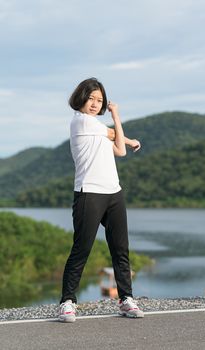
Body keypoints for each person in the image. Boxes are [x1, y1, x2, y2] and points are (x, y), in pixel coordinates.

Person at [59, 77, 144, 322]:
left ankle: (126, 299)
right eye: (91, 98)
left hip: (113, 193)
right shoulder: (80, 122)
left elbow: (119, 150)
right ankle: (67, 302)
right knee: (82, 249)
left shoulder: (98, 131)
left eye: (100, 100)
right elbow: (115, 136)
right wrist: (125, 133)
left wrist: (116, 116)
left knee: (120, 248)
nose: (95, 104)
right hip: (89, 193)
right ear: (81, 98)